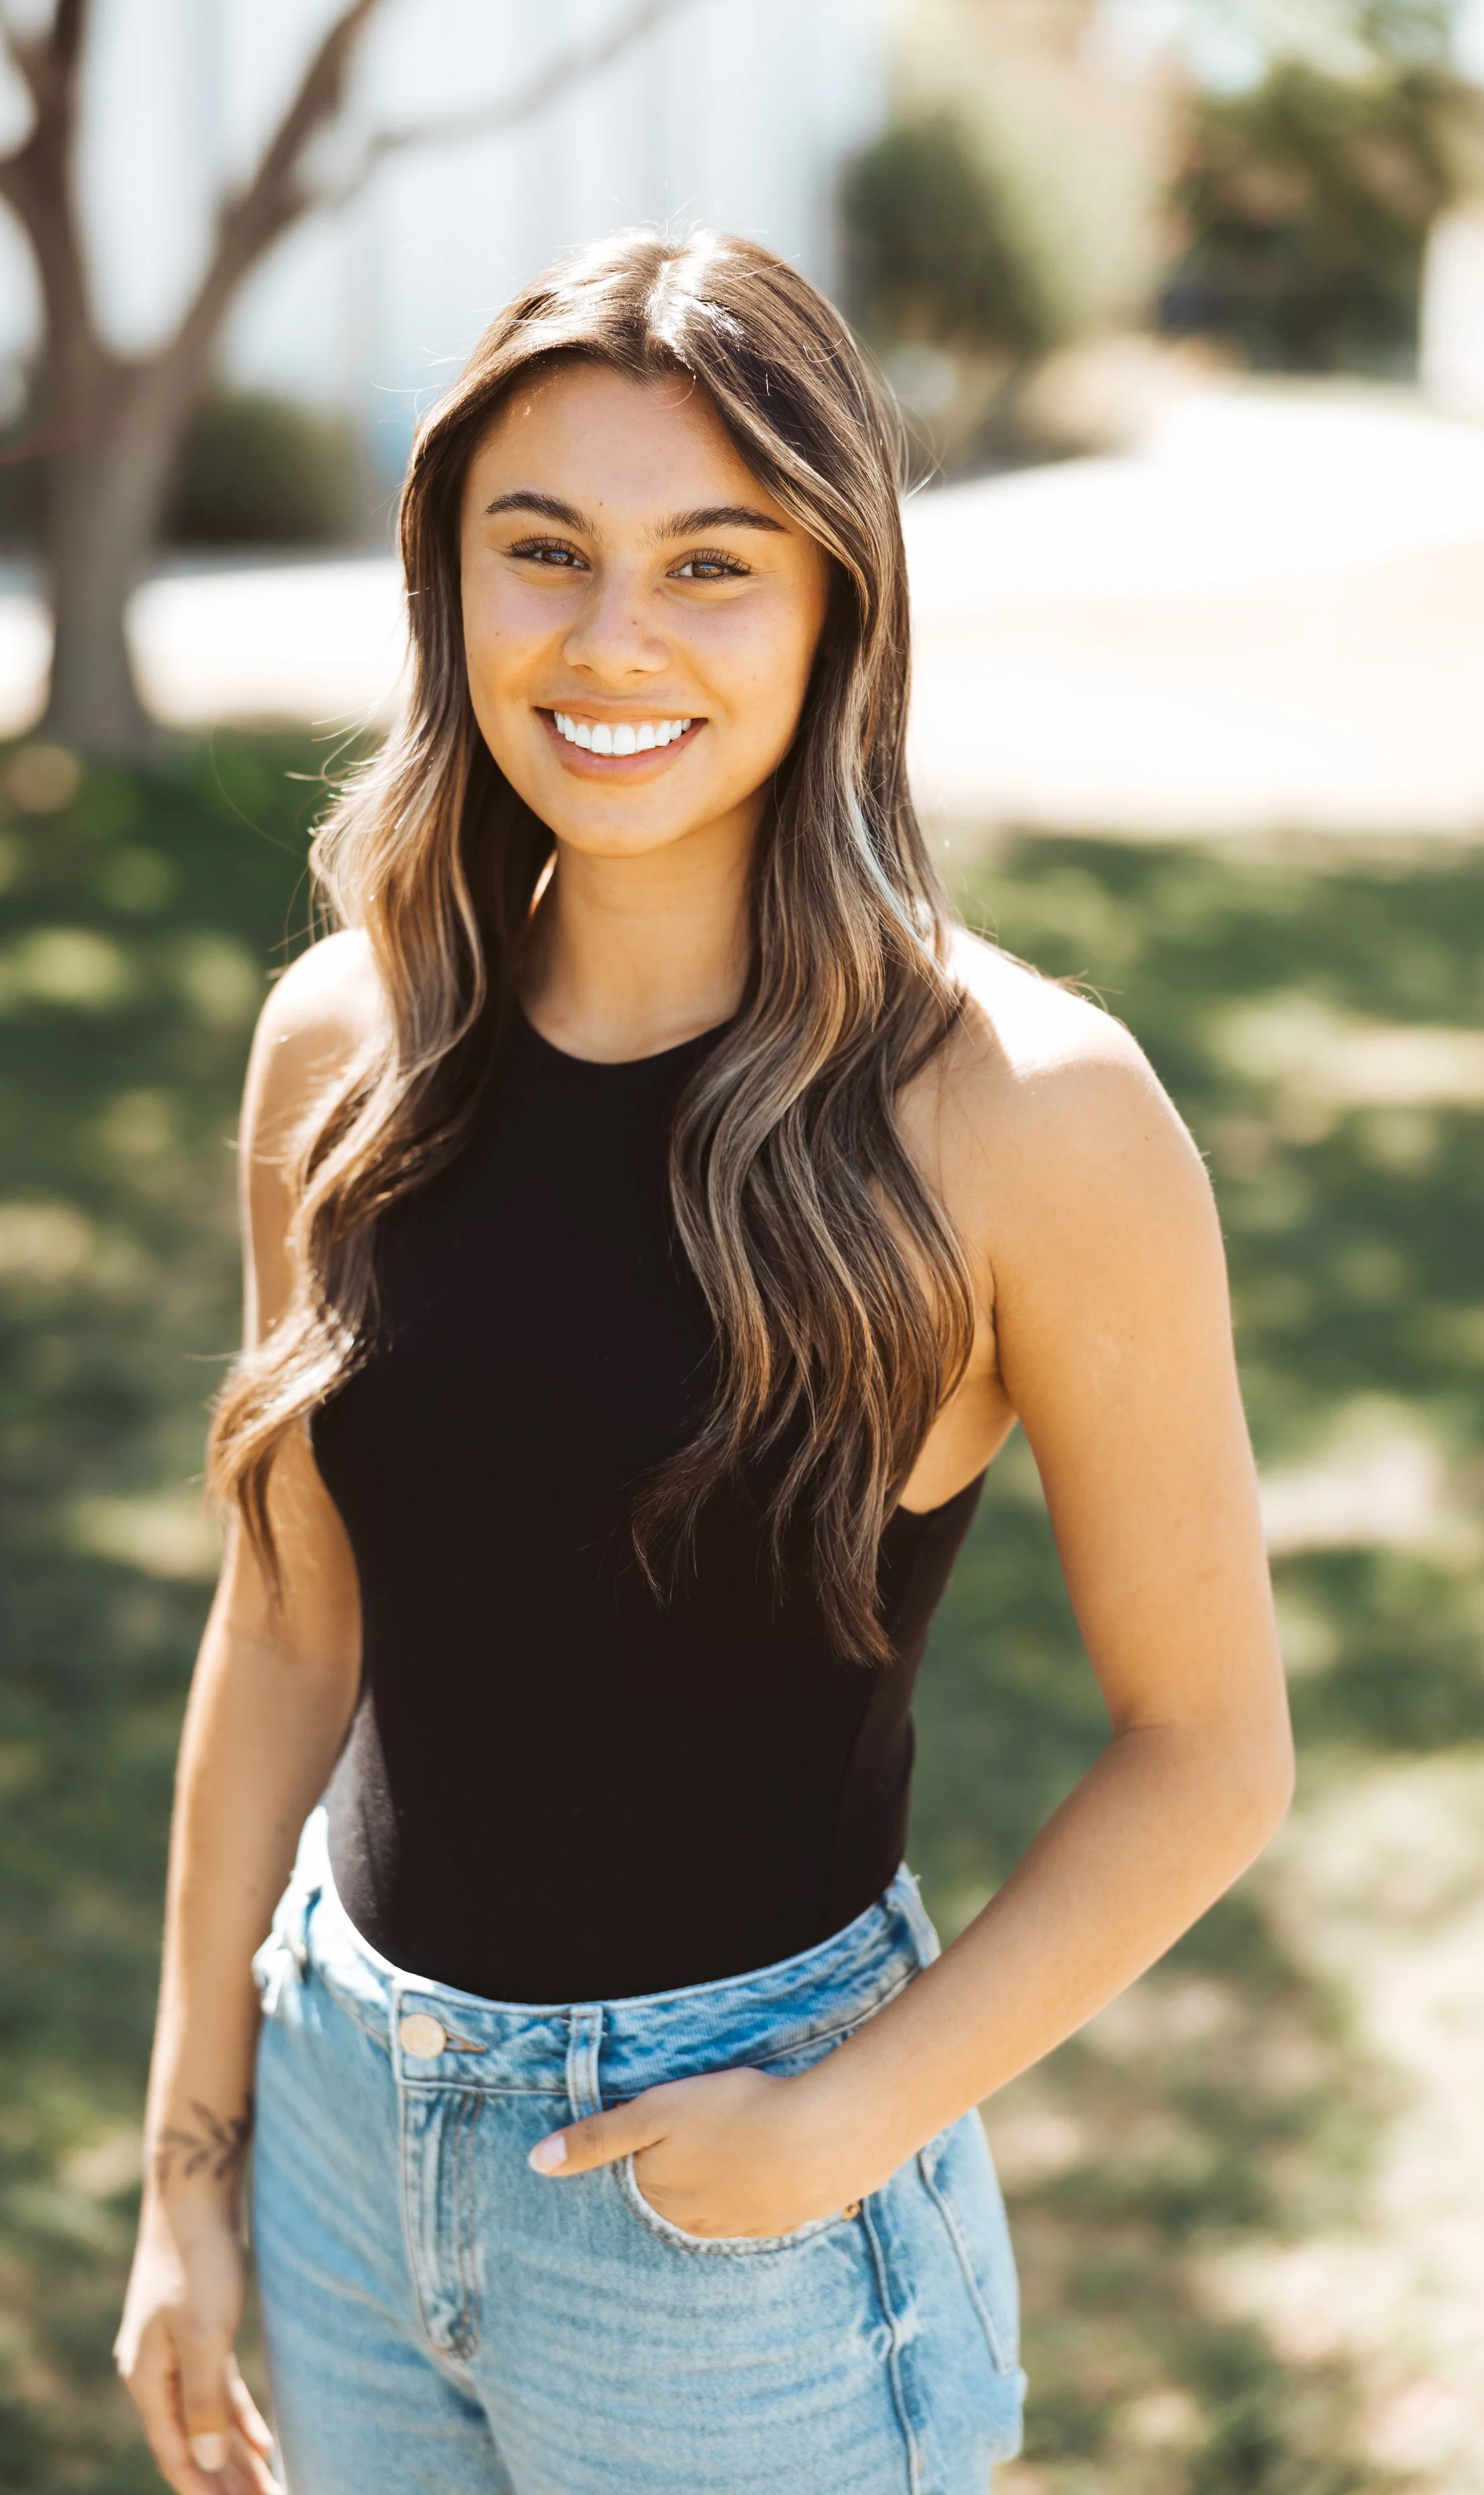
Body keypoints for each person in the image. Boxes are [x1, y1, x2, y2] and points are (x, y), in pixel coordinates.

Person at [115, 230, 1292, 2495]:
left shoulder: (1026, 1112)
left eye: (713, 564)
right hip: (347, 2128)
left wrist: (832, 2128)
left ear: (840, 602)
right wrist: (192, 2162)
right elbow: (283, 1615)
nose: (612, 639)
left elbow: (1206, 1749)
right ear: (443, 580)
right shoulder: (342, 1046)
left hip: (732, 2202)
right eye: (537, 550)